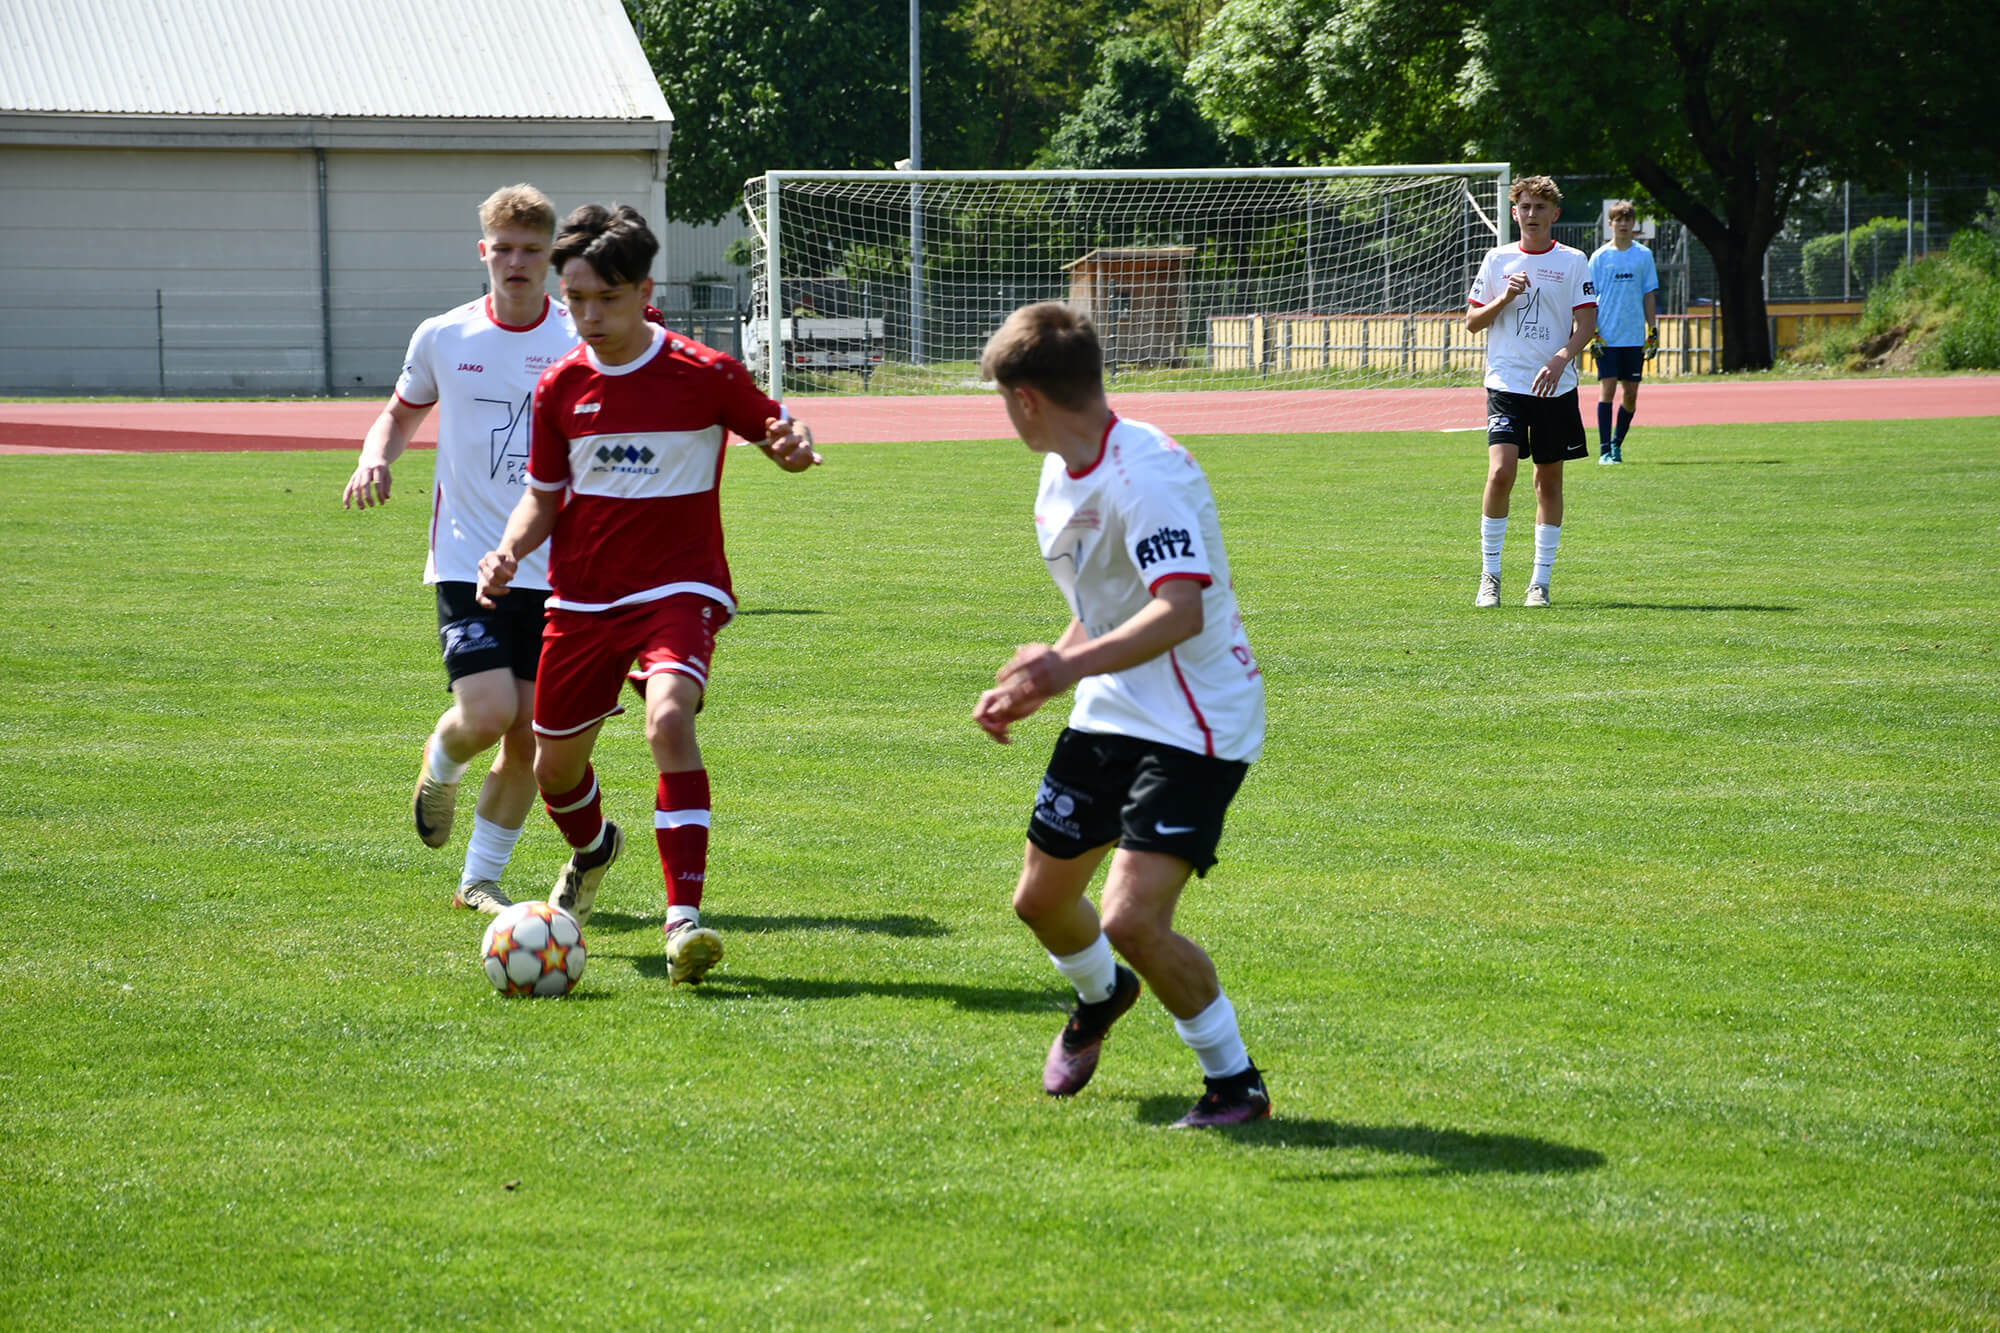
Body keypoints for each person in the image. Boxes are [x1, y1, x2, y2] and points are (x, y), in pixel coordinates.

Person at [476, 203, 821, 986]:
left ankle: (683, 920)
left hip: (679, 586)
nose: (588, 316)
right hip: (583, 598)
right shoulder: (561, 387)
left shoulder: (706, 374)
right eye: (576, 300)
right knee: (557, 770)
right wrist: (508, 549)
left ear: (644, 290)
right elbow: (543, 496)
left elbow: (781, 439)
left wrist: (793, 445)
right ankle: (595, 849)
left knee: (669, 717)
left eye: (606, 298)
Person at [973, 301, 1270, 1129]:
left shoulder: (1147, 476)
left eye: (1003, 400)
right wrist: (1045, 679)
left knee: (1130, 917)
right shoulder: (1064, 463)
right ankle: (1103, 997)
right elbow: (1110, 602)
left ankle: (1234, 1083)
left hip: (1197, 721)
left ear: (1026, 398)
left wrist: (1063, 666)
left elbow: (1179, 610)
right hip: (1115, 705)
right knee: (1040, 901)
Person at [342, 183, 578, 915]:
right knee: (486, 713)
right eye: (503, 249)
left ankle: (479, 878)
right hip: (464, 559)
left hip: (558, 568)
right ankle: (439, 764)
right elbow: (398, 415)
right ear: (484, 252)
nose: (516, 262)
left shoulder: (578, 338)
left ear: (552, 257)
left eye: (531, 250)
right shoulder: (444, 336)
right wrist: (374, 456)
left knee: (534, 740)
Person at [1465, 175, 1598, 608]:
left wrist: (1563, 357)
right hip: (1506, 384)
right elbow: (1472, 322)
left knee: (1547, 481)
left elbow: (1587, 325)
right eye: (1525, 206)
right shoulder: (1497, 259)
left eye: (1541, 207)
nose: (1532, 214)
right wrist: (1504, 297)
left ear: (1554, 214)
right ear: (1514, 211)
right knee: (1500, 473)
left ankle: (1539, 582)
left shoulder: (1574, 260)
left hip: (1554, 389)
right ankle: (1490, 575)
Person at [1588, 200, 1660, 464]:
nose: (1622, 224)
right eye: (1618, 219)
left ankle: (1618, 443)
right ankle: (1605, 450)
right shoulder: (1599, 257)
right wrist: (1592, 332)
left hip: (1633, 338)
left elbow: (1649, 294)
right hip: (1606, 336)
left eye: (1627, 219)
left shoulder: (1643, 256)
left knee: (1630, 394)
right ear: (1610, 224)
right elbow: (1588, 299)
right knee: (1606, 390)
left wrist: (1652, 331)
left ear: (1633, 224)